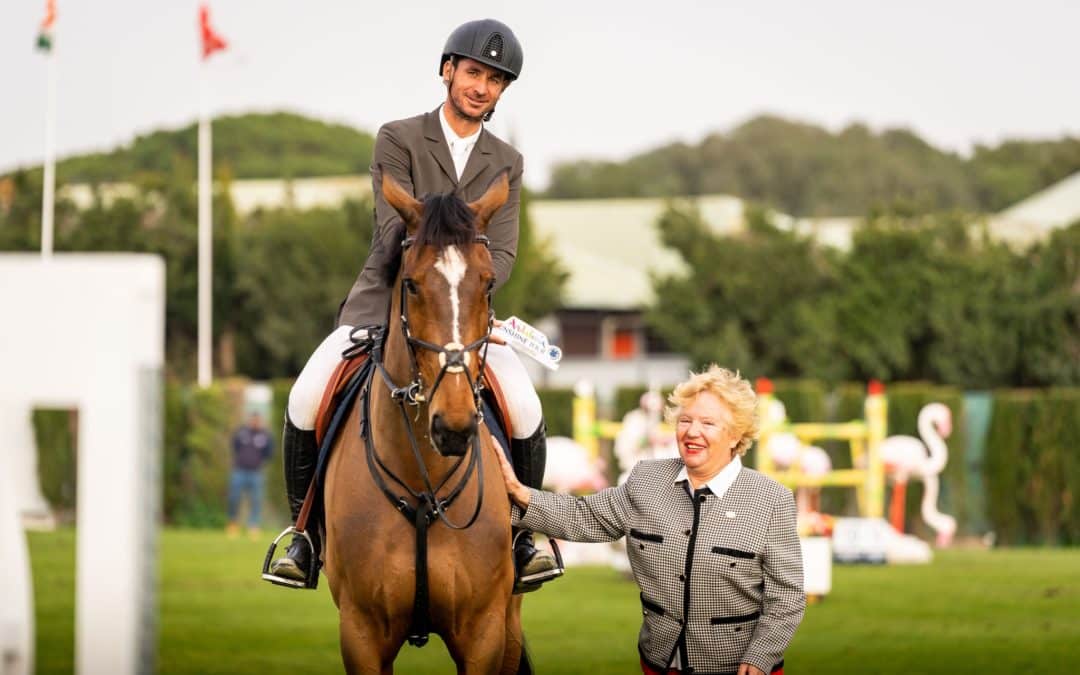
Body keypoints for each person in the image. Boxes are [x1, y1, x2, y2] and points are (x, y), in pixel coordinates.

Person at [267, 18, 560, 592]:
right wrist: (436, 266)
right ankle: (303, 535)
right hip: (385, 301)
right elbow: (389, 231)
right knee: (307, 395)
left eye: (495, 80)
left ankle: (524, 535)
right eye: (473, 72)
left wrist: (464, 292)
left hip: (466, 312)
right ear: (448, 70)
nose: (481, 86)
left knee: (524, 408)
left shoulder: (507, 161)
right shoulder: (398, 137)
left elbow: (500, 252)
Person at [497, 366, 805, 675]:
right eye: (685, 420)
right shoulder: (647, 480)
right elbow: (584, 515)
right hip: (658, 664)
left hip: (740, 668)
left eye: (708, 423)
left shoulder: (771, 500)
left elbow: (787, 595)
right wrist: (520, 494)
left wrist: (762, 655)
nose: (692, 432)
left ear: (736, 433)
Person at [226, 411, 274, 538]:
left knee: (256, 500)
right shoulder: (241, 432)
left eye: (257, 420)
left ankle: (253, 526)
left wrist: (258, 462)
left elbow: (269, 453)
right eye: (253, 420)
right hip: (239, 471)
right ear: (249, 420)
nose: (255, 422)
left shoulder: (265, 435)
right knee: (234, 498)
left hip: (256, 473)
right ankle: (233, 524)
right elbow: (234, 446)